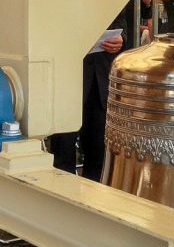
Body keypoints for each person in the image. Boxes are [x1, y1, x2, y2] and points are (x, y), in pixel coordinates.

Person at [50, 10, 126, 182]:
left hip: (101, 80)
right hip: (67, 79)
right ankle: (63, 194)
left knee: (99, 149)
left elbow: (120, 18)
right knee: (63, 149)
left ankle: (94, 196)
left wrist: (122, 38)